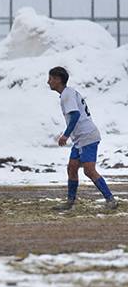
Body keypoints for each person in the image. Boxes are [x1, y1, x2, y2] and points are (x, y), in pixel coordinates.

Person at [48, 66, 118, 211]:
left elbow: (75, 115)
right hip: (80, 139)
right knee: (71, 168)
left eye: (51, 78)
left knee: (89, 170)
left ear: (58, 80)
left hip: (88, 136)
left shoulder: (67, 95)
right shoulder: (68, 93)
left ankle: (111, 199)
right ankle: (70, 202)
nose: (48, 82)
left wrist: (66, 135)